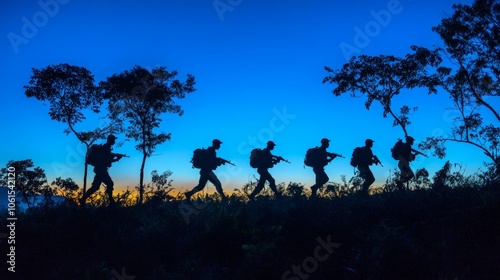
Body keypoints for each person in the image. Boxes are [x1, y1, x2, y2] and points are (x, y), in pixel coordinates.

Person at [80, 135, 125, 206]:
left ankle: (83, 199)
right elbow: (107, 160)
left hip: (99, 169)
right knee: (110, 183)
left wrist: (116, 158)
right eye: (113, 140)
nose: (114, 141)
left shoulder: (105, 148)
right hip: (101, 169)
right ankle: (111, 201)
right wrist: (117, 159)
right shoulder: (106, 148)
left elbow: (107, 160)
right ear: (110, 140)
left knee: (95, 187)